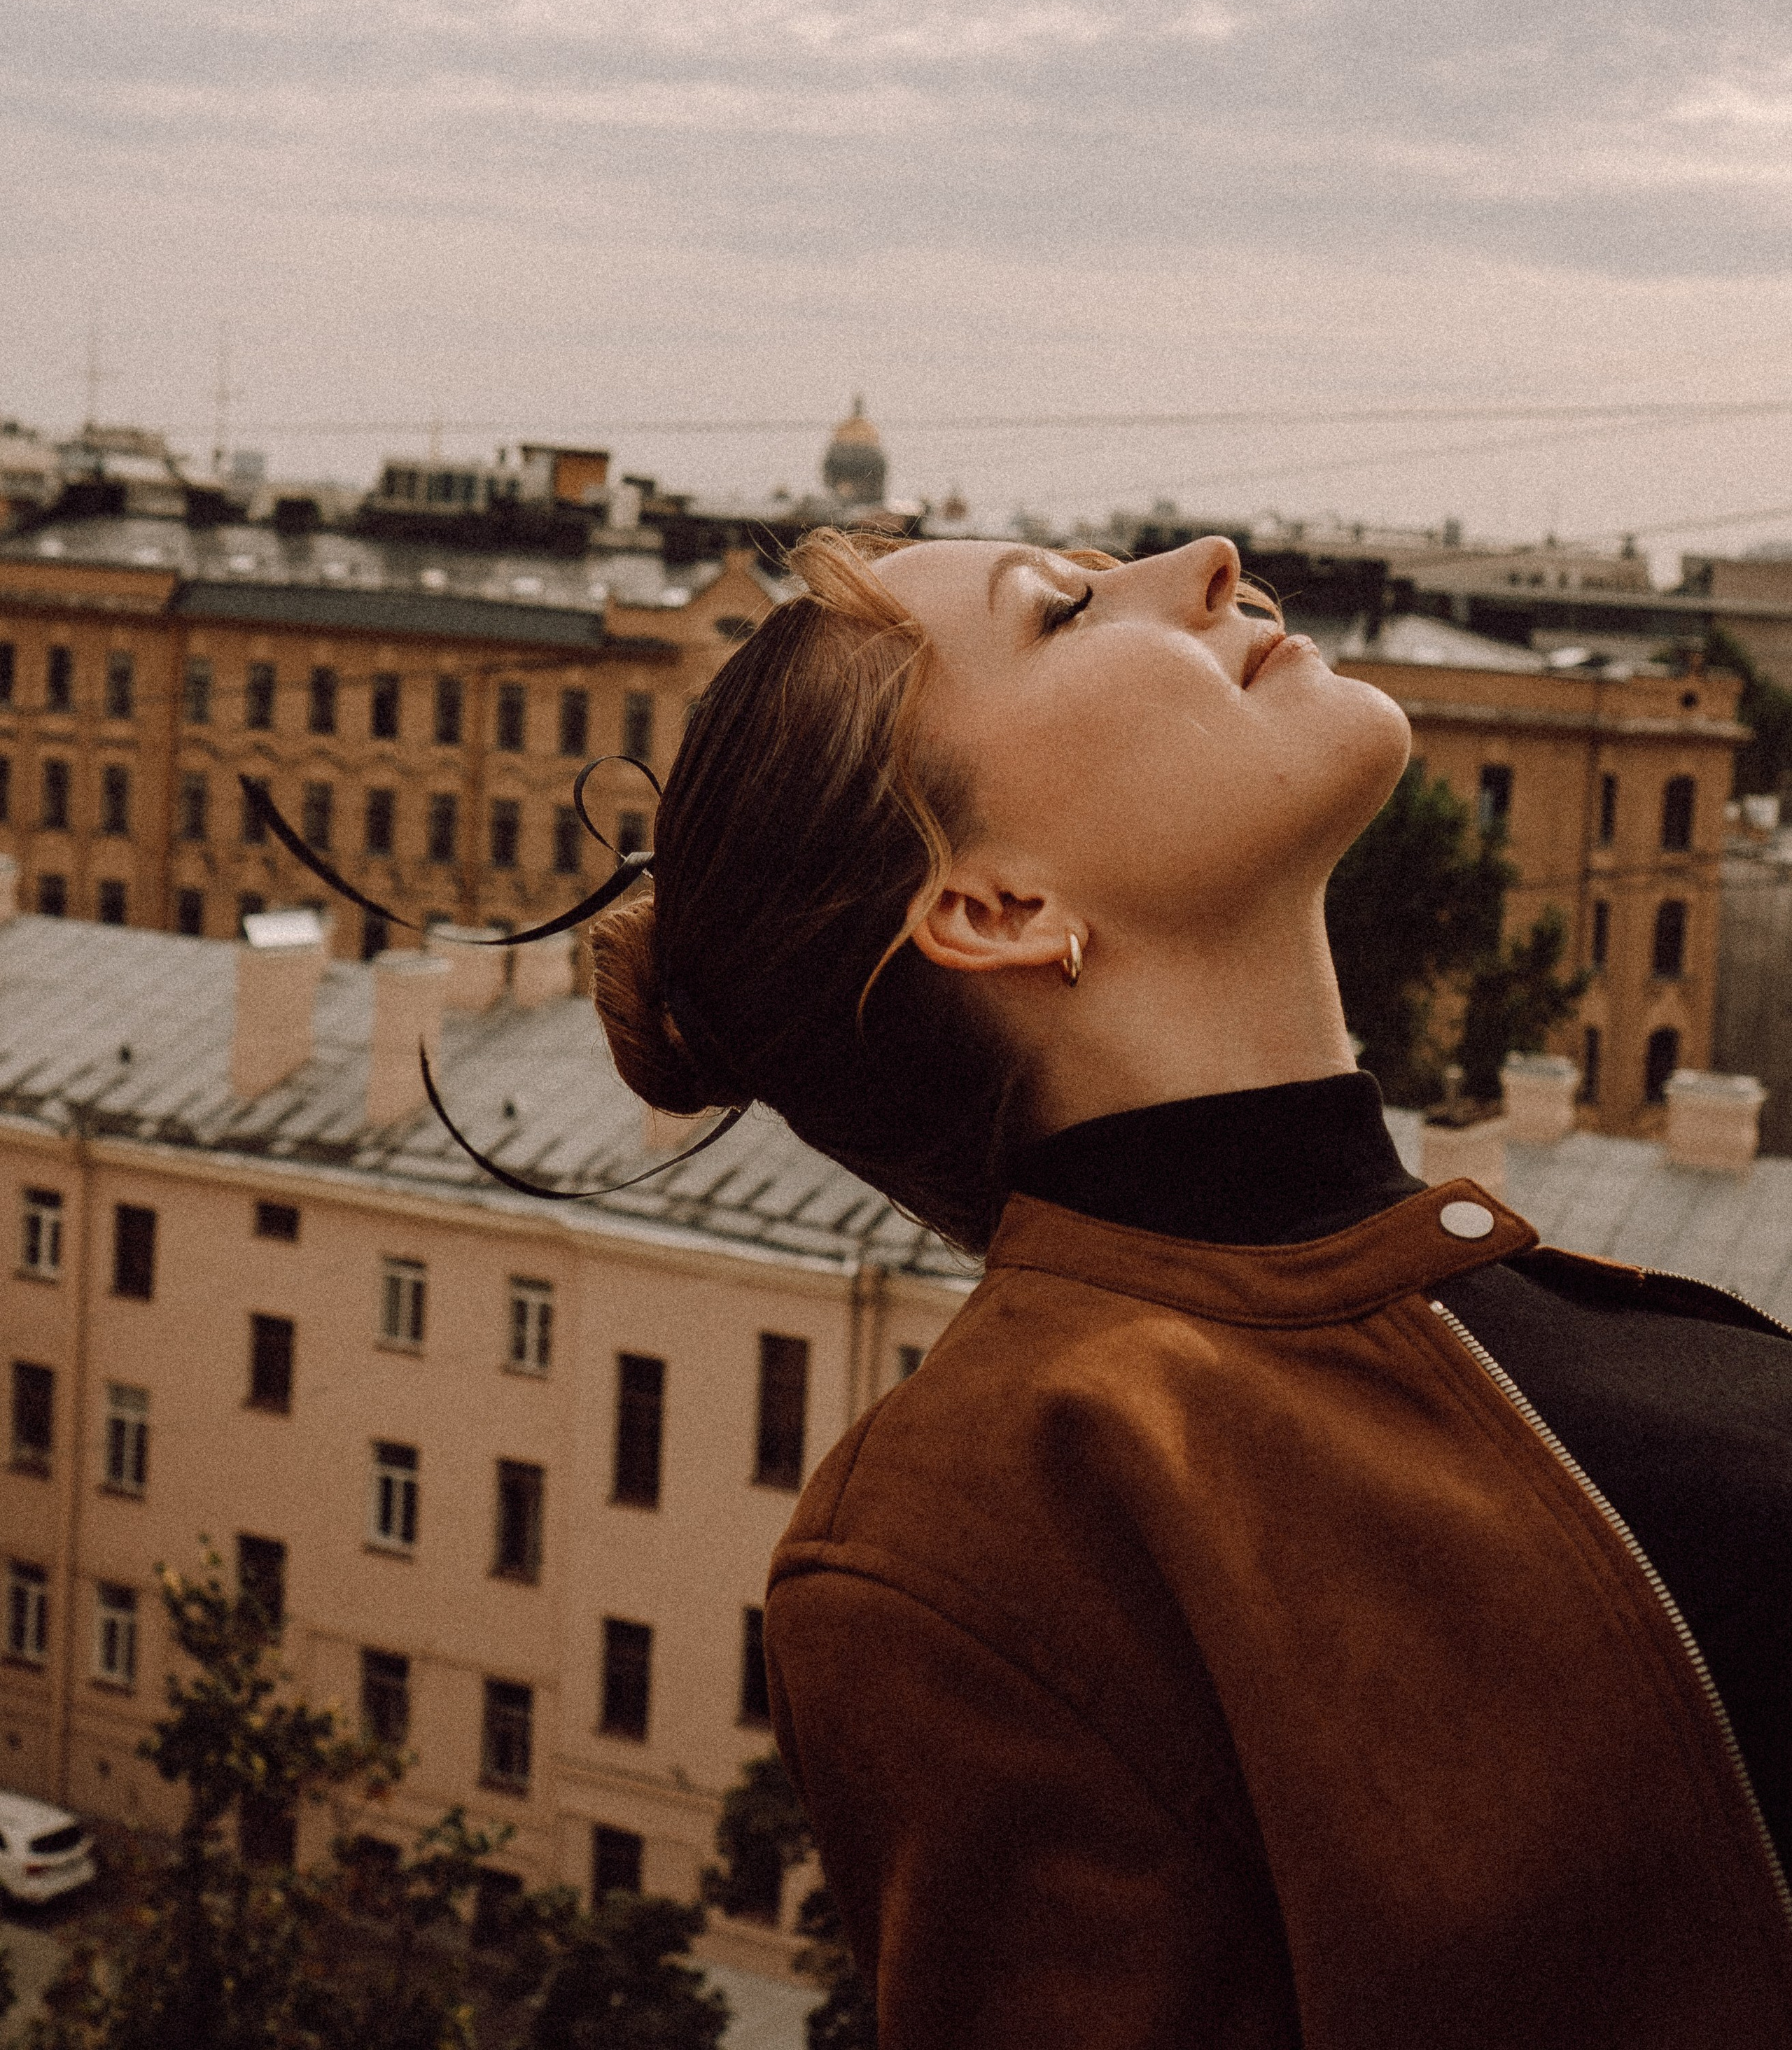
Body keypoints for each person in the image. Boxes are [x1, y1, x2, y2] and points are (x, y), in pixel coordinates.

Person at [591, 527, 1792, 2049]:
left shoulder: (1497, 1290)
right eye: (1065, 609)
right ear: (992, 906)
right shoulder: (988, 1513)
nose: (1209, 561)